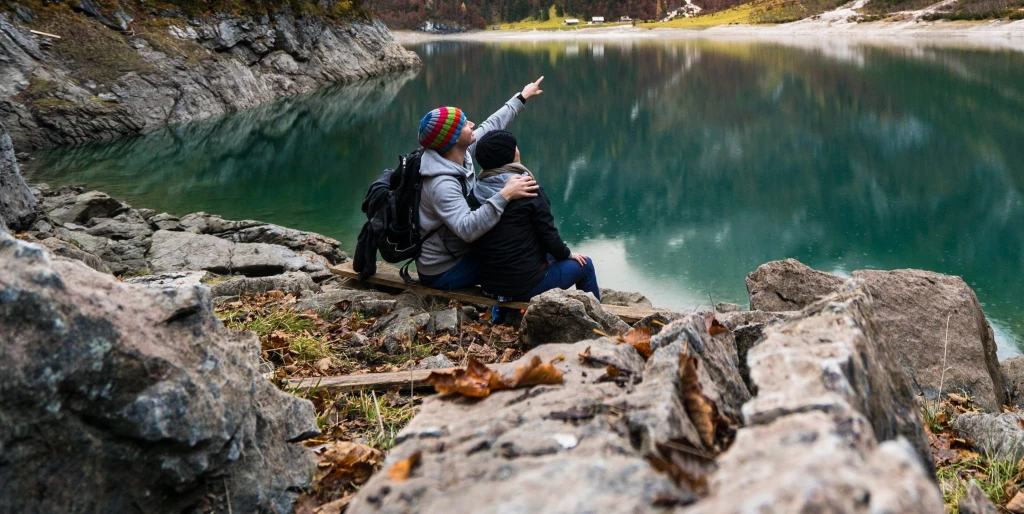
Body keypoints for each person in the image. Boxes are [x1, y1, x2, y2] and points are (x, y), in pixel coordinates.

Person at [415, 77, 546, 290]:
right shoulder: (441, 184)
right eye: (465, 124)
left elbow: (491, 124)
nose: (472, 124)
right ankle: (507, 311)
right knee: (520, 259)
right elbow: (467, 229)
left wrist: (522, 97)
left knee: (522, 249)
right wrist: (505, 194)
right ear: (455, 138)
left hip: (460, 251)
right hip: (444, 269)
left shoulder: (460, 153)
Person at [471, 130, 600, 310]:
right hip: (524, 287)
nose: (518, 149)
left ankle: (500, 316)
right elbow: (548, 235)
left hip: (490, 286)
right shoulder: (527, 189)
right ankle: (597, 320)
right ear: (510, 155)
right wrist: (568, 255)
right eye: (514, 146)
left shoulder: (477, 190)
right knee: (585, 266)